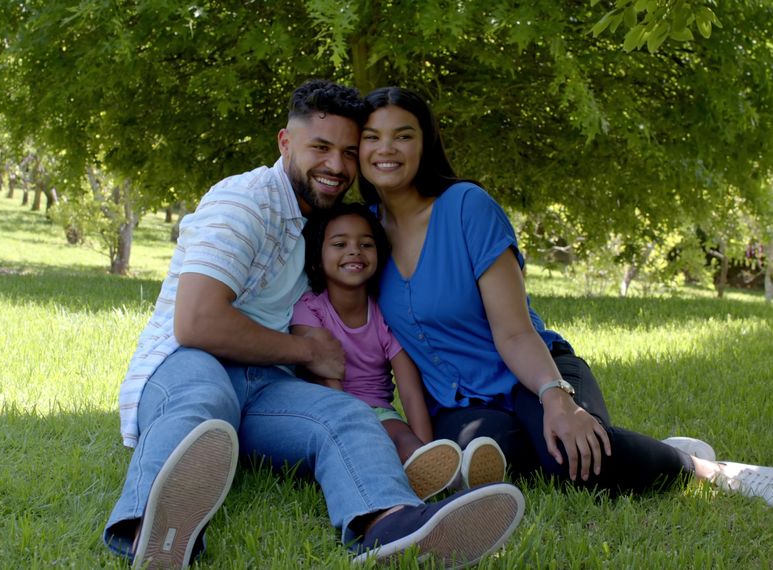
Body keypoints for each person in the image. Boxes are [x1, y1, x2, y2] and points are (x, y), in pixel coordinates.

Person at [103, 79, 525, 569]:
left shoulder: (321, 223)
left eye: (349, 153)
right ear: (285, 142)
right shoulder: (243, 202)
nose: (337, 166)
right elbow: (196, 323)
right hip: (190, 363)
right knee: (205, 399)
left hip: (267, 384)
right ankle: (149, 533)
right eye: (320, 148)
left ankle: (391, 526)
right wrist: (307, 351)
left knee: (347, 415)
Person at [356, 86, 773, 509]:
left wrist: (557, 399)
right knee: (485, 457)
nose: (386, 148)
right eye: (372, 137)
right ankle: (625, 446)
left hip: (535, 373)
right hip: (460, 406)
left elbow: (514, 332)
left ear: (426, 144)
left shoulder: (466, 207)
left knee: (574, 459)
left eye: (403, 135)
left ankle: (707, 470)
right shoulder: (363, 236)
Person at [291, 203, 507, 500]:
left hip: (380, 412)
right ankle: (431, 474)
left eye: (366, 244)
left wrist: (426, 447)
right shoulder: (310, 308)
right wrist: (352, 426)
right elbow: (321, 373)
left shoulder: (385, 314)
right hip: (330, 412)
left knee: (402, 438)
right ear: (316, 259)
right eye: (340, 244)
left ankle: (453, 477)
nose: (354, 251)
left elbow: (409, 391)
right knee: (374, 444)